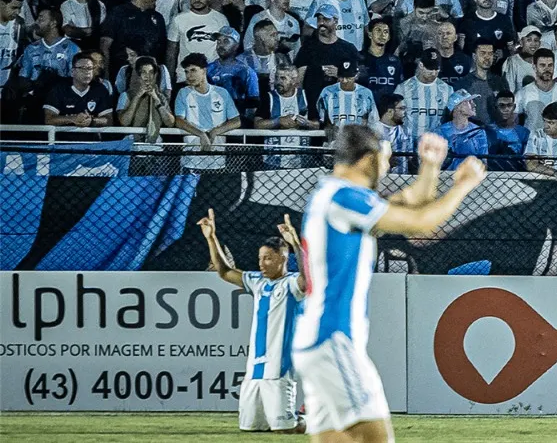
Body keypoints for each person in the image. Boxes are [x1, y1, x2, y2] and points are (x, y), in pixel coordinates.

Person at [294, 127, 484, 442]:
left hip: (317, 341)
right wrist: (464, 186)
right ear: (367, 160)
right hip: (334, 339)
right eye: (385, 160)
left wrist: (431, 166)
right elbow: (421, 224)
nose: (388, 166)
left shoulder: (334, 196)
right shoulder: (344, 197)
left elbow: (410, 202)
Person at [198, 208, 307, 434]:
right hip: (254, 371)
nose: (262, 263)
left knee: (285, 429)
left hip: (279, 370)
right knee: (251, 429)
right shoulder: (257, 281)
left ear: (283, 259)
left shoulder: (291, 285)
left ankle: (313, 419)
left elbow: (308, 279)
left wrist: (295, 244)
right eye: (260, 258)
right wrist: (211, 237)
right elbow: (224, 271)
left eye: (268, 258)